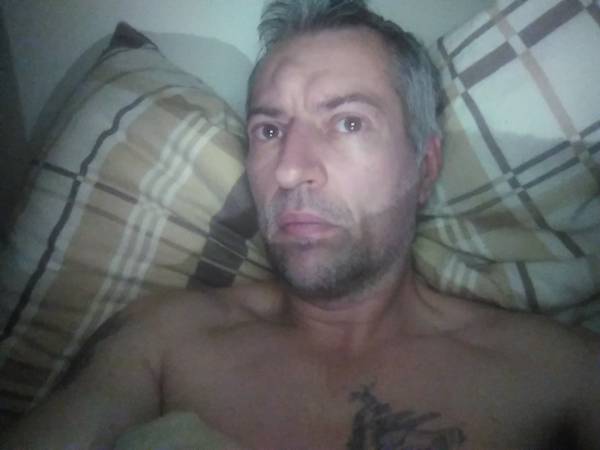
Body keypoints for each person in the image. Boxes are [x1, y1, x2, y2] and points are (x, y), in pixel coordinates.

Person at [3, 0, 599, 449]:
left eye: (348, 122)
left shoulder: (557, 375)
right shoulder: (162, 342)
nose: (289, 169)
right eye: (268, 130)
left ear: (424, 168)